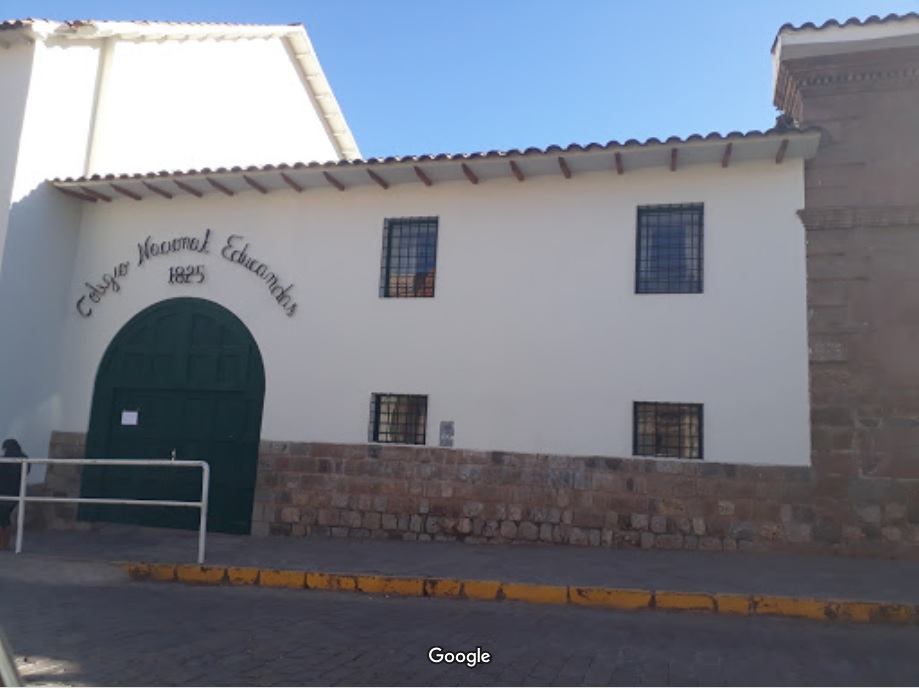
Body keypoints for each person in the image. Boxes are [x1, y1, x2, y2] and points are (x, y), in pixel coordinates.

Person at [0, 439, 28, 551]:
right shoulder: (24, 460)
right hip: (16, 493)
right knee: (5, 518)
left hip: (4, 493)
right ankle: (5, 544)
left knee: (3, 519)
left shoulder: (4, 461)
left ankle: (3, 544)